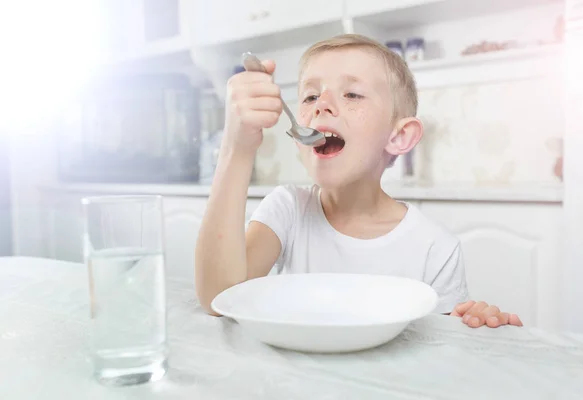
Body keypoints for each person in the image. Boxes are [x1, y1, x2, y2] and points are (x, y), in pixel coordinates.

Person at [195, 34, 523, 329]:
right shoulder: (288, 210)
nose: (321, 104)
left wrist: (473, 325)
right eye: (309, 97)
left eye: (352, 94)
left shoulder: (435, 249)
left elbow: (441, 347)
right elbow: (220, 299)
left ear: (399, 136)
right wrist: (237, 148)